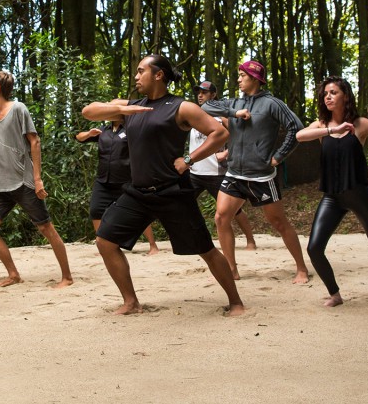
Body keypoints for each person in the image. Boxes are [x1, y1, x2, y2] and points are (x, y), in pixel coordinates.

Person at [82, 54, 244, 316]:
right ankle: (131, 302)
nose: (136, 76)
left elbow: (220, 133)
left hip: (173, 192)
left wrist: (189, 159)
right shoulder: (132, 106)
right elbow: (88, 112)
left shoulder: (181, 107)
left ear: (158, 75)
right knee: (105, 242)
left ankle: (235, 302)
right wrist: (124, 110)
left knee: (206, 250)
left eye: (140, 71)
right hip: (138, 192)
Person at [295, 76, 368, 307]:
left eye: (333, 92)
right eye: (325, 93)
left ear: (345, 96)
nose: (328, 96)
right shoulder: (321, 126)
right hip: (332, 198)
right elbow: (299, 136)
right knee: (314, 248)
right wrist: (332, 130)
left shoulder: (360, 124)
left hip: (360, 194)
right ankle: (335, 294)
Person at [0, 71, 73, 288]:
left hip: (22, 182)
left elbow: (34, 141)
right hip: (2, 186)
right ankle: (13, 274)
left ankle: (67, 277)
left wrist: (38, 179)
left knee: (46, 228)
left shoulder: (18, 108)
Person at [201, 61, 309, 283]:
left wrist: (279, 156)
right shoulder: (235, 102)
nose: (238, 79)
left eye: (242, 75)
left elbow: (295, 127)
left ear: (255, 78)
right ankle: (231, 269)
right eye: (238, 75)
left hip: (260, 175)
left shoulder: (272, 104)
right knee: (221, 217)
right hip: (234, 174)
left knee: (279, 223)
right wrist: (235, 112)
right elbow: (205, 108)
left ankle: (301, 268)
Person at [189, 81, 258, 253]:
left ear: (213, 95)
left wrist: (226, 153)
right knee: (184, 203)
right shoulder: (194, 115)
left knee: (234, 210)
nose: (200, 95)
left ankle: (250, 240)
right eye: (198, 92)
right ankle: (189, 240)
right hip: (195, 172)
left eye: (204, 93)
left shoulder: (222, 117)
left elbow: (239, 137)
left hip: (216, 173)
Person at [76, 120, 160, 255]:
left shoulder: (130, 128)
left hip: (125, 180)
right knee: (96, 210)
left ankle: (153, 245)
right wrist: (89, 133)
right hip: (104, 179)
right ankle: (102, 245)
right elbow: (79, 137)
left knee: (137, 211)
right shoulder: (103, 130)